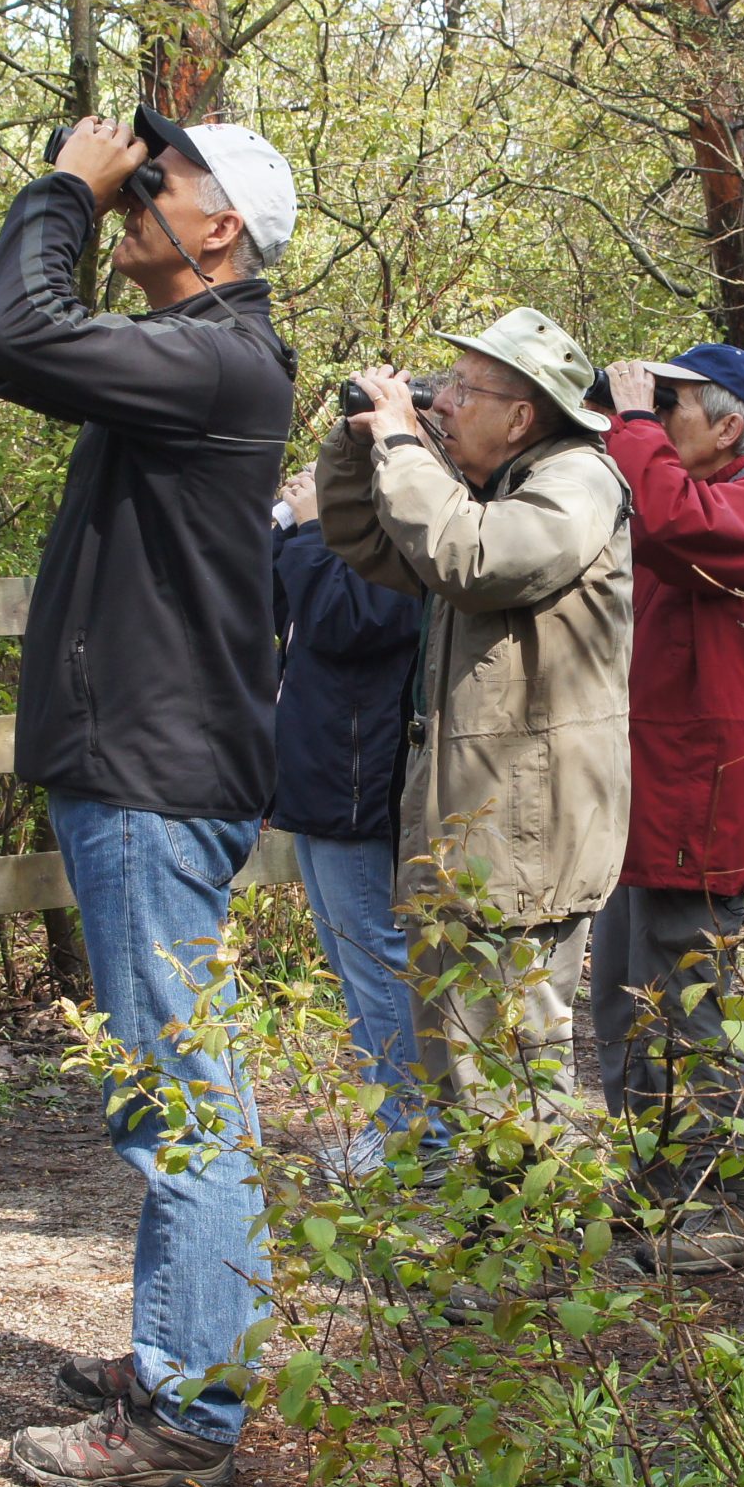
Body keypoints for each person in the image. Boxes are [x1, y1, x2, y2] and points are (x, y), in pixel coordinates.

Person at [0, 107, 298, 1487]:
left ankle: (186, 1418)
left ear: (220, 231)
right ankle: (188, 1349)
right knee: (187, 1083)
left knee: (181, 1098)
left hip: (157, 778)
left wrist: (61, 189)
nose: (140, 181)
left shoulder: (219, 362)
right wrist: (85, 199)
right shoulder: (195, 360)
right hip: (153, 769)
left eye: (167, 177)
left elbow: (10, 339)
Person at [314, 309, 632, 1153]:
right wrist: (363, 443)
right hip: (470, 837)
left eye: (463, 388)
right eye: (443, 384)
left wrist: (403, 444)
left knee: (509, 1081)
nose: (443, 400)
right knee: (463, 1076)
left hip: (521, 841)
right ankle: (494, 1267)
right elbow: (366, 539)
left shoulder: (578, 482)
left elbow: (477, 559)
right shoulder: (491, 489)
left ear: (523, 416)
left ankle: (536, 1275)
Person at [587, 344, 744, 1276]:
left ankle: (721, 1207)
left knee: (688, 1009)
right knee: (624, 1004)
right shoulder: (688, 488)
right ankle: (658, 1186)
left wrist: (635, 426)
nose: (651, 421)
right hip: (643, 795)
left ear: (729, 425)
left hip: (704, 801)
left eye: (675, 406)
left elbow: (684, 527)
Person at [269, 466, 427, 1182]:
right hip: (319, 770)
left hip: (360, 777)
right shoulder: (345, 530)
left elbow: (351, 619)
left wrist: (309, 529)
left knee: (375, 958)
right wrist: (294, 530)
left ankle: (415, 1136)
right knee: (351, 959)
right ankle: (395, 1123)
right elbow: (282, 607)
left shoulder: (405, 528)